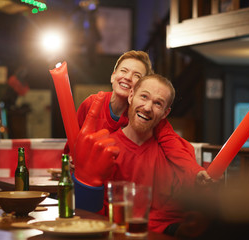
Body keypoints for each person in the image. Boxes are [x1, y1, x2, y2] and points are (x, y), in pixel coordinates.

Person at [73, 74, 212, 236]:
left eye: (157, 103)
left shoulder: (181, 152)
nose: (147, 107)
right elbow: (92, 214)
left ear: (165, 113)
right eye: (144, 97)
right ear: (131, 96)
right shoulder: (105, 149)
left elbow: (187, 208)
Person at [74, 50, 210, 184]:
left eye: (136, 75)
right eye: (124, 71)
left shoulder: (143, 115)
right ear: (113, 76)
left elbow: (173, 144)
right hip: (87, 177)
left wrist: (195, 171)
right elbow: (73, 140)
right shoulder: (92, 104)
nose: (127, 77)